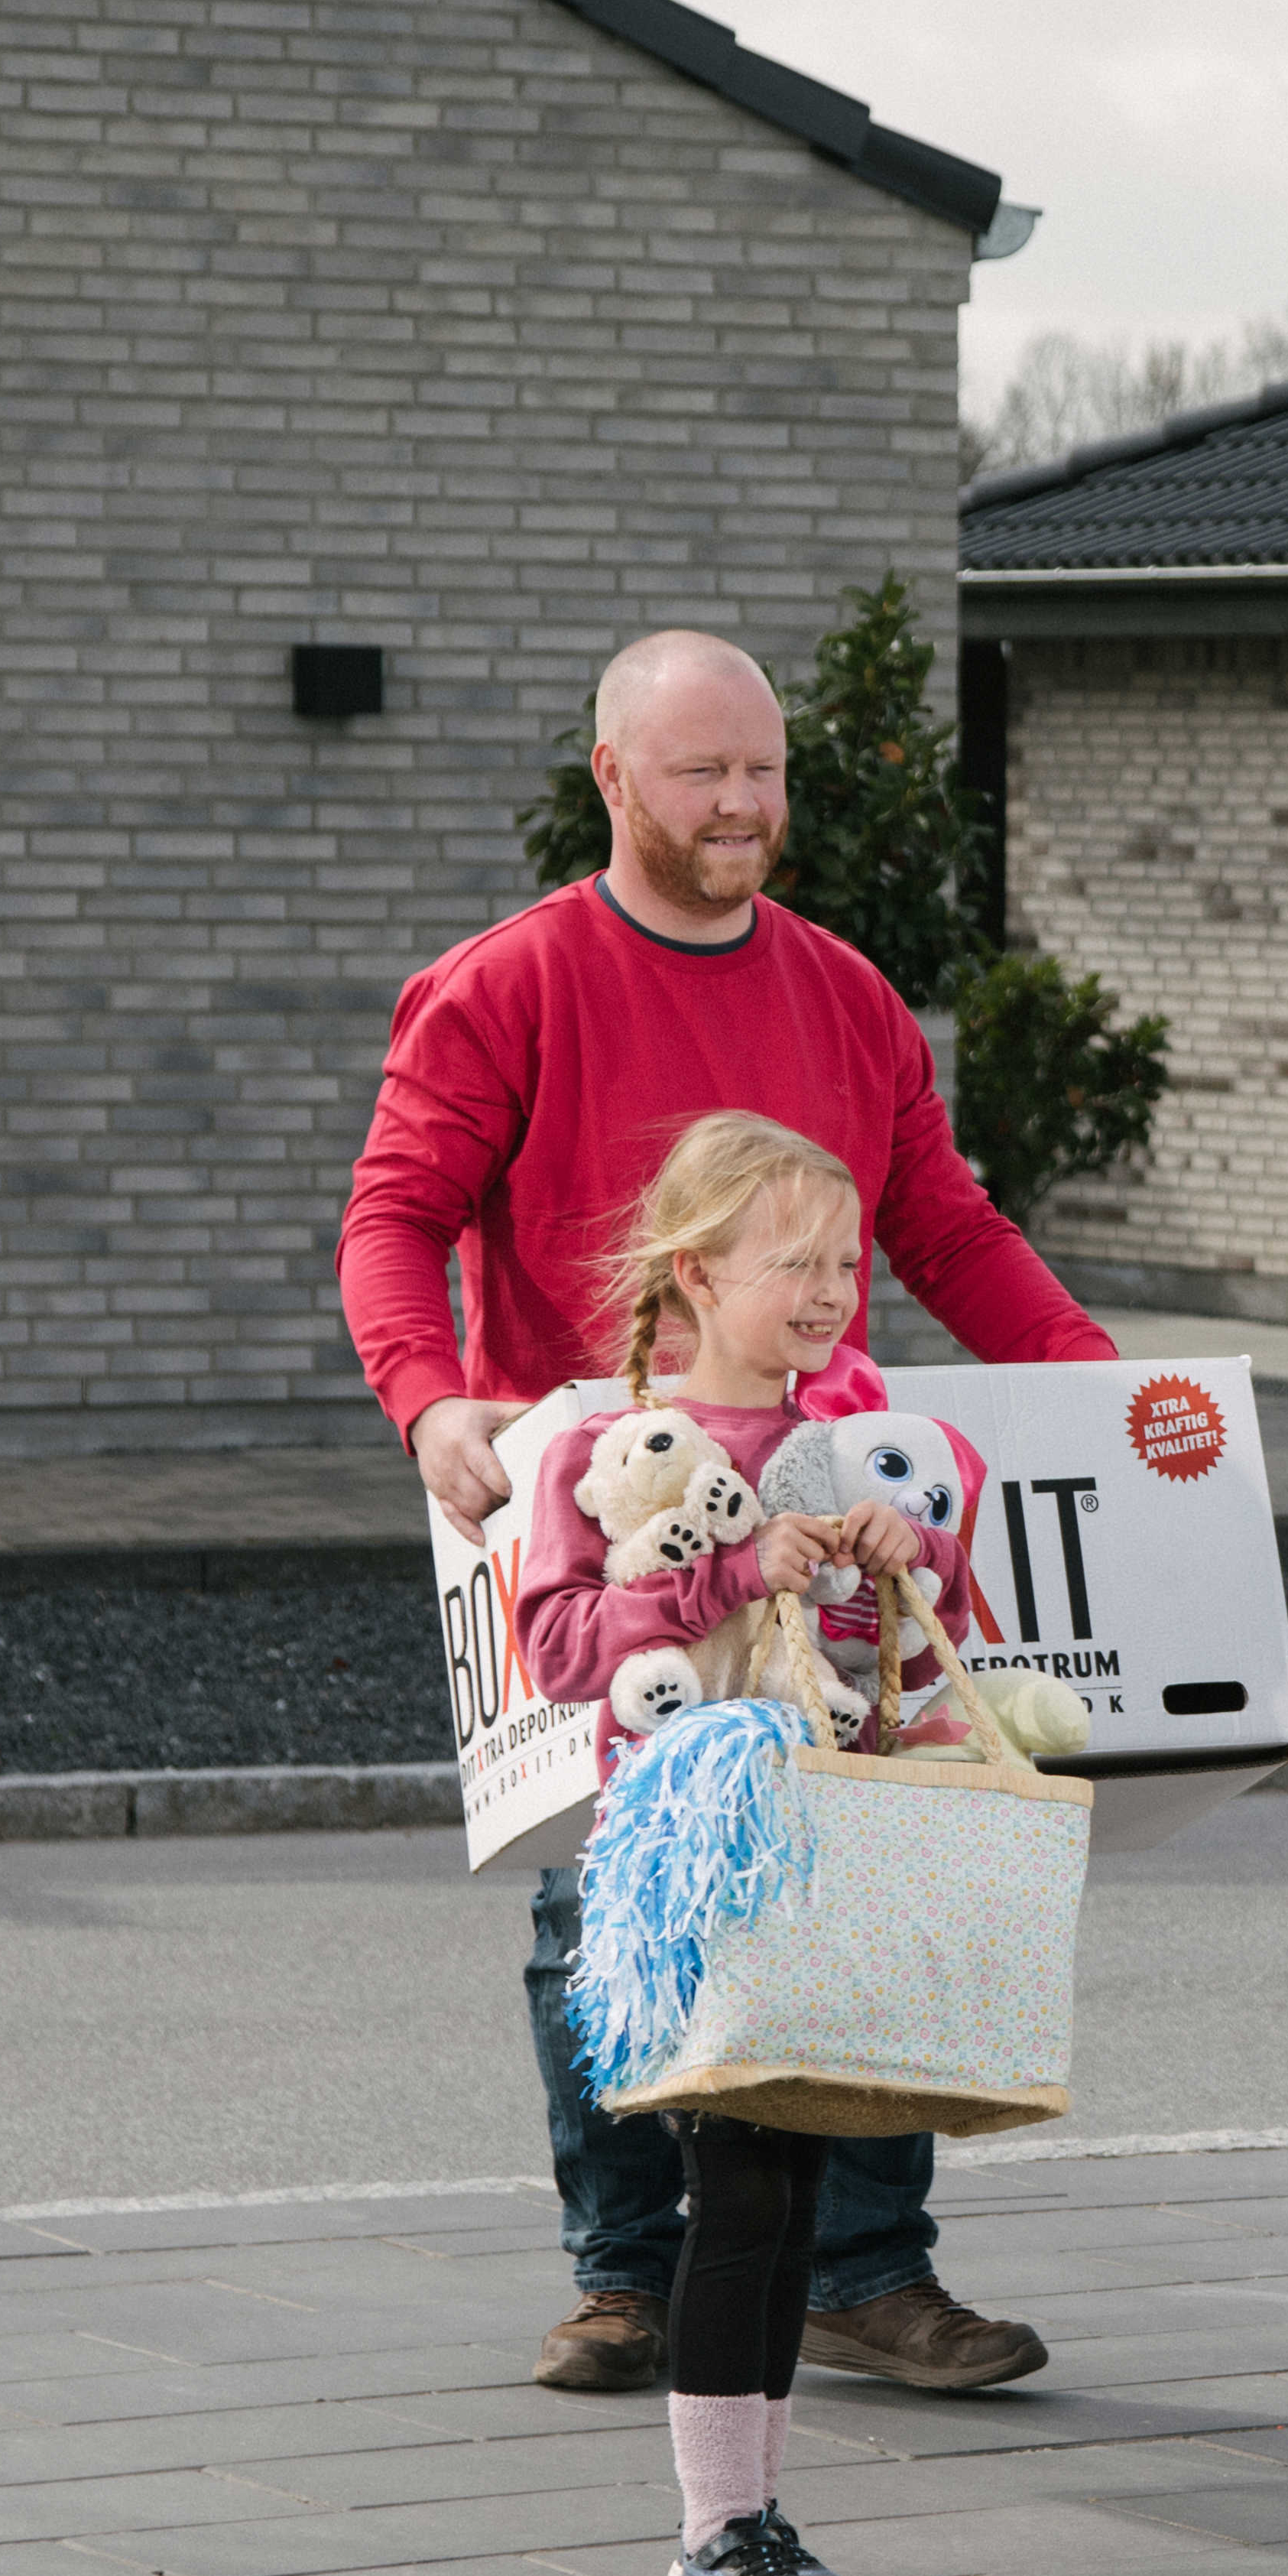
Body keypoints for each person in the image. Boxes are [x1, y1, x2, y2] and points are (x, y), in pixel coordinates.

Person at [339, 627, 1115, 2401]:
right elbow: (393, 1216)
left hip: (827, 1505)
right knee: (605, 1903)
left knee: (868, 1851)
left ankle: (867, 2273)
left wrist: (1094, 1382)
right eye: (702, 773)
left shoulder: (844, 992)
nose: (742, 803)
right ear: (613, 778)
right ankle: (626, 2273)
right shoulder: (505, 985)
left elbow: (944, 1223)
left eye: (763, 770)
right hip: (607, 1526)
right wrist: (428, 1397)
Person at [509, 1114, 985, 2576]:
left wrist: (909, 1555)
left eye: (847, 1261)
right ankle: (714, 2537)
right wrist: (726, 1571)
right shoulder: (601, 1451)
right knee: (742, 2186)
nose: (833, 1289)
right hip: (691, 1869)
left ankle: (756, 2519)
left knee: (790, 2187)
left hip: (821, 1854)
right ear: (698, 1273)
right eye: (797, 1262)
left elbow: (924, 1634)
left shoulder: (843, 1445)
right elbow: (557, 1647)